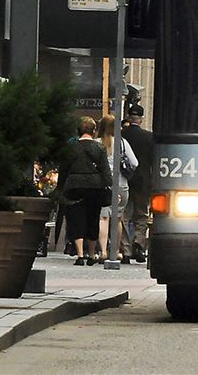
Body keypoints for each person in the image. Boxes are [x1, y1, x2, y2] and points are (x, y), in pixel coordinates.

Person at [57, 116, 111, 266]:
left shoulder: (71, 147)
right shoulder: (99, 148)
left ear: (78, 131)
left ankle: (80, 254)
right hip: (95, 186)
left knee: (76, 218)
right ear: (93, 131)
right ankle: (92, 254)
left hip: (74, 185)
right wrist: (109, 185)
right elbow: (105, 170)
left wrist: (60, 187)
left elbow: (64, 169)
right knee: (93, 217)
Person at [121, 94, 154, 264]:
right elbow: (153, 162)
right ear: (141, 119)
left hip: (124, 179)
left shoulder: (121, 135)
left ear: (128, 116)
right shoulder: (149, 137)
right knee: (141, 215)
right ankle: (138, 244)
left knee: (124, 215)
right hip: (143, 181)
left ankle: (125, 250)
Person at [98, 114, 137, 262]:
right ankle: (115, 250)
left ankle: (102, 251)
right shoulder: (122, 143)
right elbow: (134, 162)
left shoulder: (98, 142)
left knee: (103, 218)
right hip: (121, 184)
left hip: (103, 185)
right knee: (118, 218)